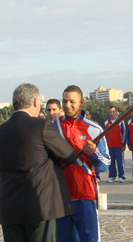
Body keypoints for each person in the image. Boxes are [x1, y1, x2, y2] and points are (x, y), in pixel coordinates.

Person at [0, 83, 76, 242]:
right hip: (39, 206)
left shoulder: (2, 130)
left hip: (9, 208)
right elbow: (69, 155)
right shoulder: (41, 126)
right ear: (35, 102)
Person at [53, 85, 111, 242]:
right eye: (64, 101)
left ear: (82, 102)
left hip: (85, 195)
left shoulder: (94, 129)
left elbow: (105, 165)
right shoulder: (53, 127)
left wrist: (93, 153)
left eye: (72, 101)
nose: (67, 105)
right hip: (61, 196)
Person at [104, 106, 126, 183]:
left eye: (113, 111)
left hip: (118, 146)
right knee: (111, 162)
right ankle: (112, 176)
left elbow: (124, 133)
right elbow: (105, 135)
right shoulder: (106, 122)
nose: (111, 113)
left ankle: (121, 176)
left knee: (120, 162)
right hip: (110, 146)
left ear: (116, 112)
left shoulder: (121, 121)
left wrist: (123, 144)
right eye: (110, 112)